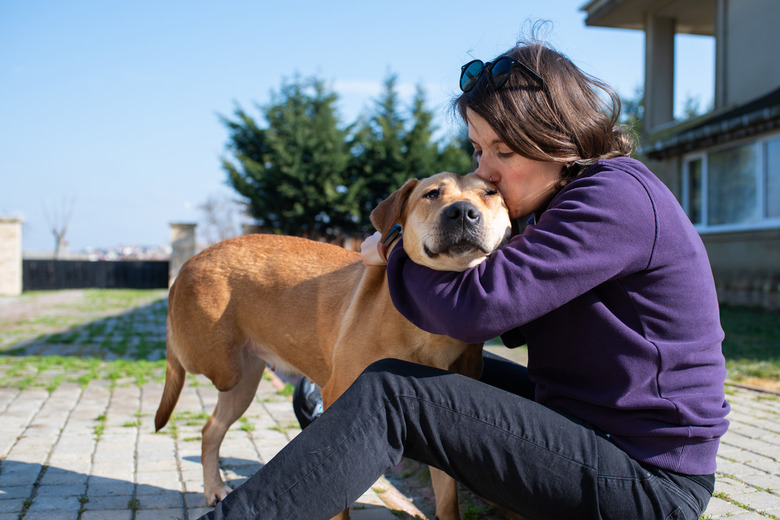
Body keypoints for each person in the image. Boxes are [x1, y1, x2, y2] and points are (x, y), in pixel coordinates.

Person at [201, 34, 730, 520]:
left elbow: (480, 310)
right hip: (592, 430)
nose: (487, 171)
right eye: (479, 150)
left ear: (557, 137)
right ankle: (343, 439)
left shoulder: (612, 200)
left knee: (391, 393)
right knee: (397, 374)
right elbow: (505, 313)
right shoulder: (563, 205)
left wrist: (395, 250)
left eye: (504, 150)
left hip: (650, 480)